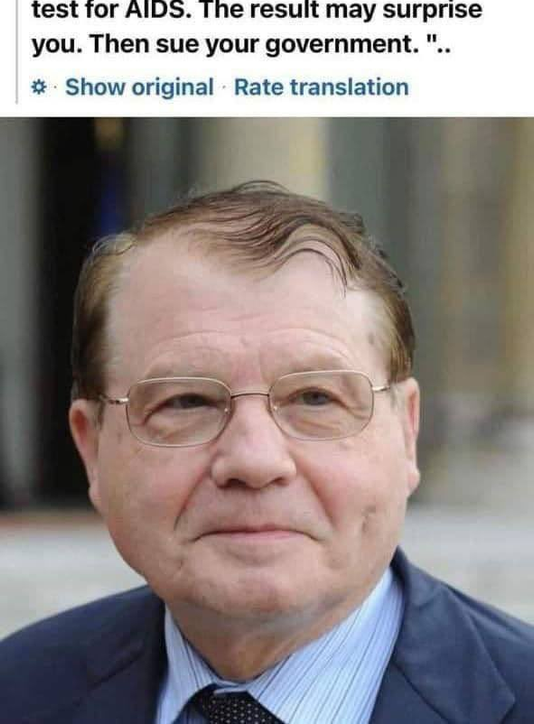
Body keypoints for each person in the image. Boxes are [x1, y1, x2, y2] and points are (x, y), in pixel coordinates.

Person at [1, 182, 533, 724]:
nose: (254, 462)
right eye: (187, 402)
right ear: (92, 449)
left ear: (405, 431)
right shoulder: (16, 693)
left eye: (315, 398)